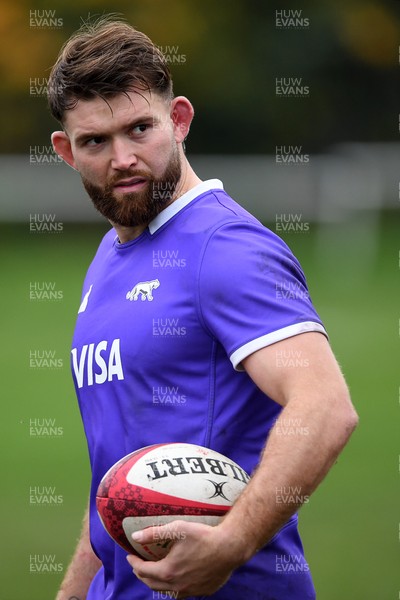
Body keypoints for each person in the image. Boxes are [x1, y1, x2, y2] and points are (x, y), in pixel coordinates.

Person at [48, 17, 358, 600]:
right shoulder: (112, 253)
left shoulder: (226, 247)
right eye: (95, 141)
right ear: (66, 151)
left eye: (140, 129)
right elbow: (118, 484)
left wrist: (232, 542)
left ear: (180, 120)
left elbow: (325, 405)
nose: (123, 158)